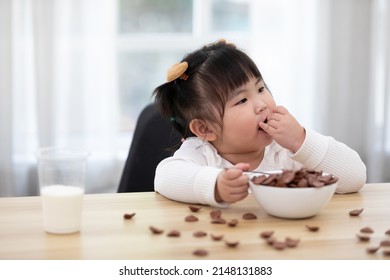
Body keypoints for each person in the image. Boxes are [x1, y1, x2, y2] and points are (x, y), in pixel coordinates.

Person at [153, 39, 366, 207]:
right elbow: (165, 177)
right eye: (242, 100)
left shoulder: (284, 148)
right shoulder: (202, 152)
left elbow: (355, 177)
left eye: (261, 89)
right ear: (205, 129)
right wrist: (214, 185)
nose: (262, 104)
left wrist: (301, 141)